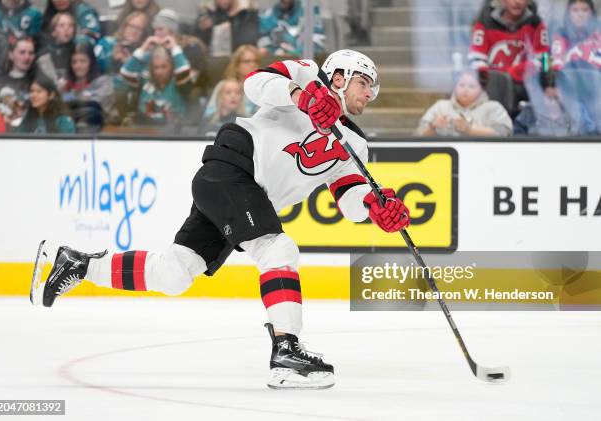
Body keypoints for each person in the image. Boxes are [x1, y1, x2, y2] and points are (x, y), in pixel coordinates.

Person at [30, 49, 411, 390]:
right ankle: (286, 351)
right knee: (277, 247)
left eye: (372, 89)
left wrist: (376, 208)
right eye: (364, 83)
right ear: (340, 76)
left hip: (244, 195)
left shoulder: (355, 144)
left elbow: (348, 199)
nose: (369, 94)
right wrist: (303, 96)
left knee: (175, 273)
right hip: (233, 166)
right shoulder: (308, 74)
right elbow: (256, 82)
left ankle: (77, 265)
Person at [468, 0, 551, 115]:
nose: (517, 2)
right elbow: (476, 58)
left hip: (525, 89)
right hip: (491, 89)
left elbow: (545, 58)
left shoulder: (536, 23)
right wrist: (490, 80)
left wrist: (548, 84)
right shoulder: (484, 22)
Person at [118, 36, 195, 126]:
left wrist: (174, 47)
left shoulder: (179, 81)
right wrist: (144, 48)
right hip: (145, 130)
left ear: (171, 66)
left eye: (164, 67)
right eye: (156, 67)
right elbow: (125, 73)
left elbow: (184, 71)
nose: (159, 71)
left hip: (174, 133)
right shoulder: (145, 80)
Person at [416, 70, 513, 136]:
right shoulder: (441, 106)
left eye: (472, 86)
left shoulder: (493, 107)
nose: (465, 90)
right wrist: (432, 127)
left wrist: (470, 130)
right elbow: (418, 134)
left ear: (482, 89)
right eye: (461, 85)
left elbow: (505, 133)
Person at [61, 40, 115, 131]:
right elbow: (58, 104)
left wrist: (72, 99)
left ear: (91, 62)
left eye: (83, 61)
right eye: (74, 62)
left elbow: (97, 105)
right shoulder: (64, 84)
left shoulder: (104, 82)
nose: (78, 66)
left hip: (99, 130)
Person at [0, 36, 35, 129]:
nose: (27, 57)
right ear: (11, 55)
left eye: (30, 53)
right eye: (22, 52)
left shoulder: (37, 84)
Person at [258, 0, 325, 57]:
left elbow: (317, 40)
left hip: (303, 60)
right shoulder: (269, 13)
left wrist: (296, 53)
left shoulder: (309, 10)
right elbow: (263, 36)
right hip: (277, 60)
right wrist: (269, 49)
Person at [193, 0, 259, 56]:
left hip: (240, 58)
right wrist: (205, 29)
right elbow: (197, 41)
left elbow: (249, 40)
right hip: (214, 59)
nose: (222, 1)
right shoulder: (207, 11)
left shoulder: (248, 11)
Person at [551, 0, 600, 71]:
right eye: (575, 10)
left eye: (585, 10)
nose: (580, 14)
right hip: (568, 79)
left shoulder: (598, 37)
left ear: (592, 14)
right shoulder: (561, 36)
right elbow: (556, 60)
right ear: (568, 14)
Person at [35, 12, 76, 87]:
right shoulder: (44, 54)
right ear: (53, 31)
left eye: (70, 26)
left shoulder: (77, 51)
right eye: (61, 25)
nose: (66, 29)